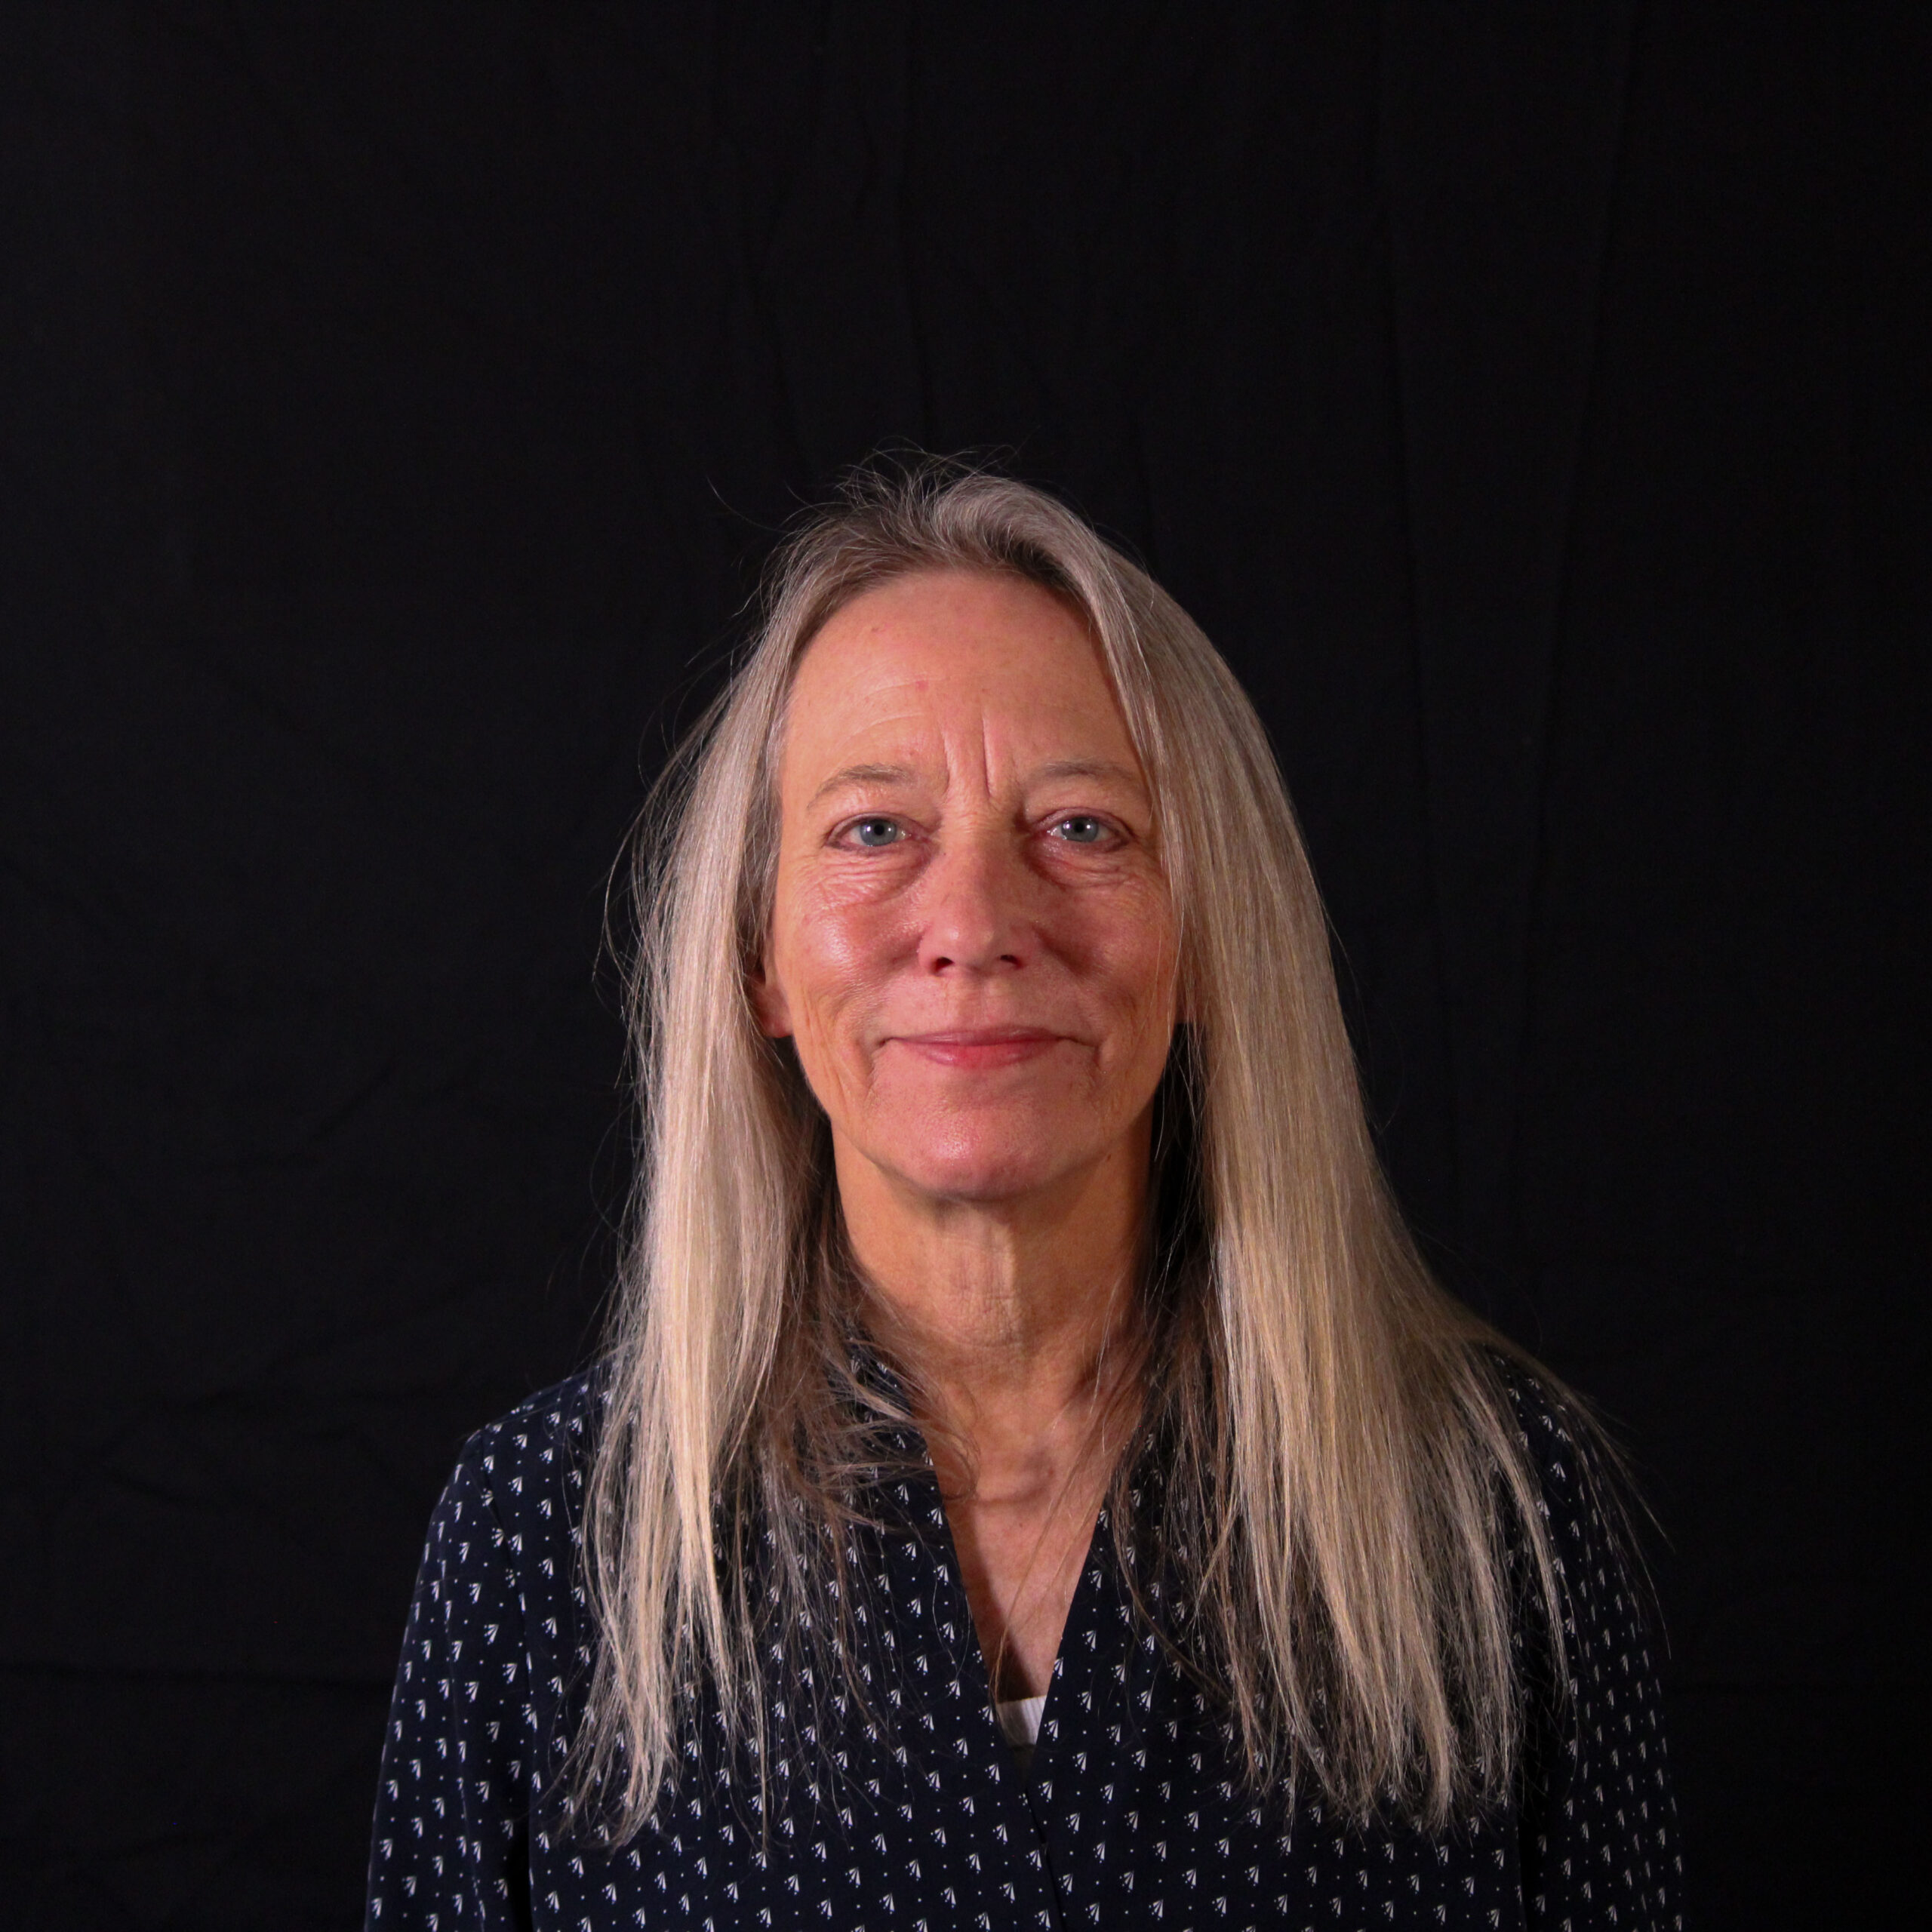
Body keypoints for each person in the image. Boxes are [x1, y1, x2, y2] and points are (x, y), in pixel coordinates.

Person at [365, 460, 1683, 1930]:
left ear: (1202, 935)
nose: (975, 924)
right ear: (758, 958)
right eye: (873, 829)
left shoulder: (1483, 1509)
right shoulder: (545, 1543)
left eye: (1079, 828)